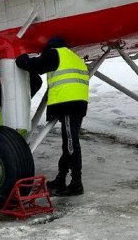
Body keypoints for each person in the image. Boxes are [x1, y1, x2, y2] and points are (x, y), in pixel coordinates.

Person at [16, 37, 90, 197]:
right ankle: (61, 178)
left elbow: (36, 65)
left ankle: (76, 183)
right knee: (68, 143)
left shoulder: (54, 53)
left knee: (71, 144)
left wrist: (21, 59)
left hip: (69, 103)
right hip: (77, 103)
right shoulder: (73, 56)